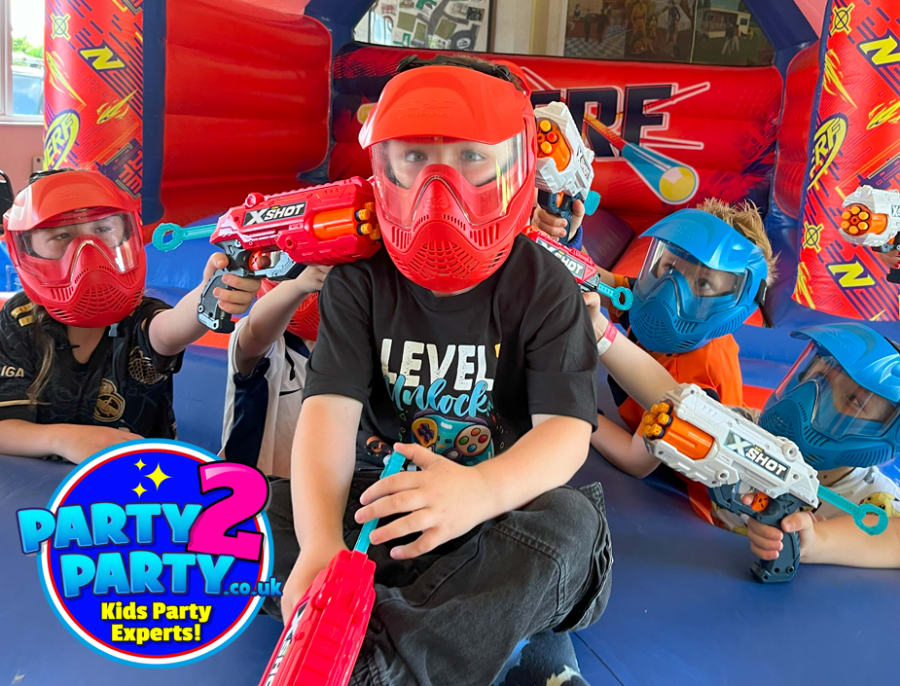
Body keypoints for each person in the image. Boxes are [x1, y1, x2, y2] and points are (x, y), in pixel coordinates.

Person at [272, 55, 614, 685]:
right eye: (414, 157)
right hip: (385, 504)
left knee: (572, 526)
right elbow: (327, 413)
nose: (439, 190)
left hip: (502, 509)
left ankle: (381, 662)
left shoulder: (545, 286)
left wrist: (478, 493)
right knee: (264, 511)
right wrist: (321, 542)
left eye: (471, 157)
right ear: (383, 166)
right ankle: (486, 639)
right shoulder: (357, 281)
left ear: (517, 165)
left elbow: (566, 433)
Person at [534, 198, 774, 526]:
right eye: (671, 268)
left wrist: (576, 410)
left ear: (735, 302)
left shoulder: (702, 374)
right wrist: (566, 240)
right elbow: (597, 282)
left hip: (709, 500)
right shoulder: (653, 298)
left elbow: (636, 460)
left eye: (703, 283)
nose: (671, 291)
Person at [0, 168, 258, 462]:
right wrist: (66, 439)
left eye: (103, 230)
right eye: (61, 235)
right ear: (25, 250)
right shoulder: (21, 318)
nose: (88, 253)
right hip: (37, 484)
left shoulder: (139, 315)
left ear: (125, 233)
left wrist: (211, 292)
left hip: (143, 481)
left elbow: (169, 330)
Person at [219, 269, 330, 478]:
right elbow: (257, 331)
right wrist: (299, 285)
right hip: (254, 488)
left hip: (323, 489)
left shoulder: (350, 345)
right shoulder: (266, 341)